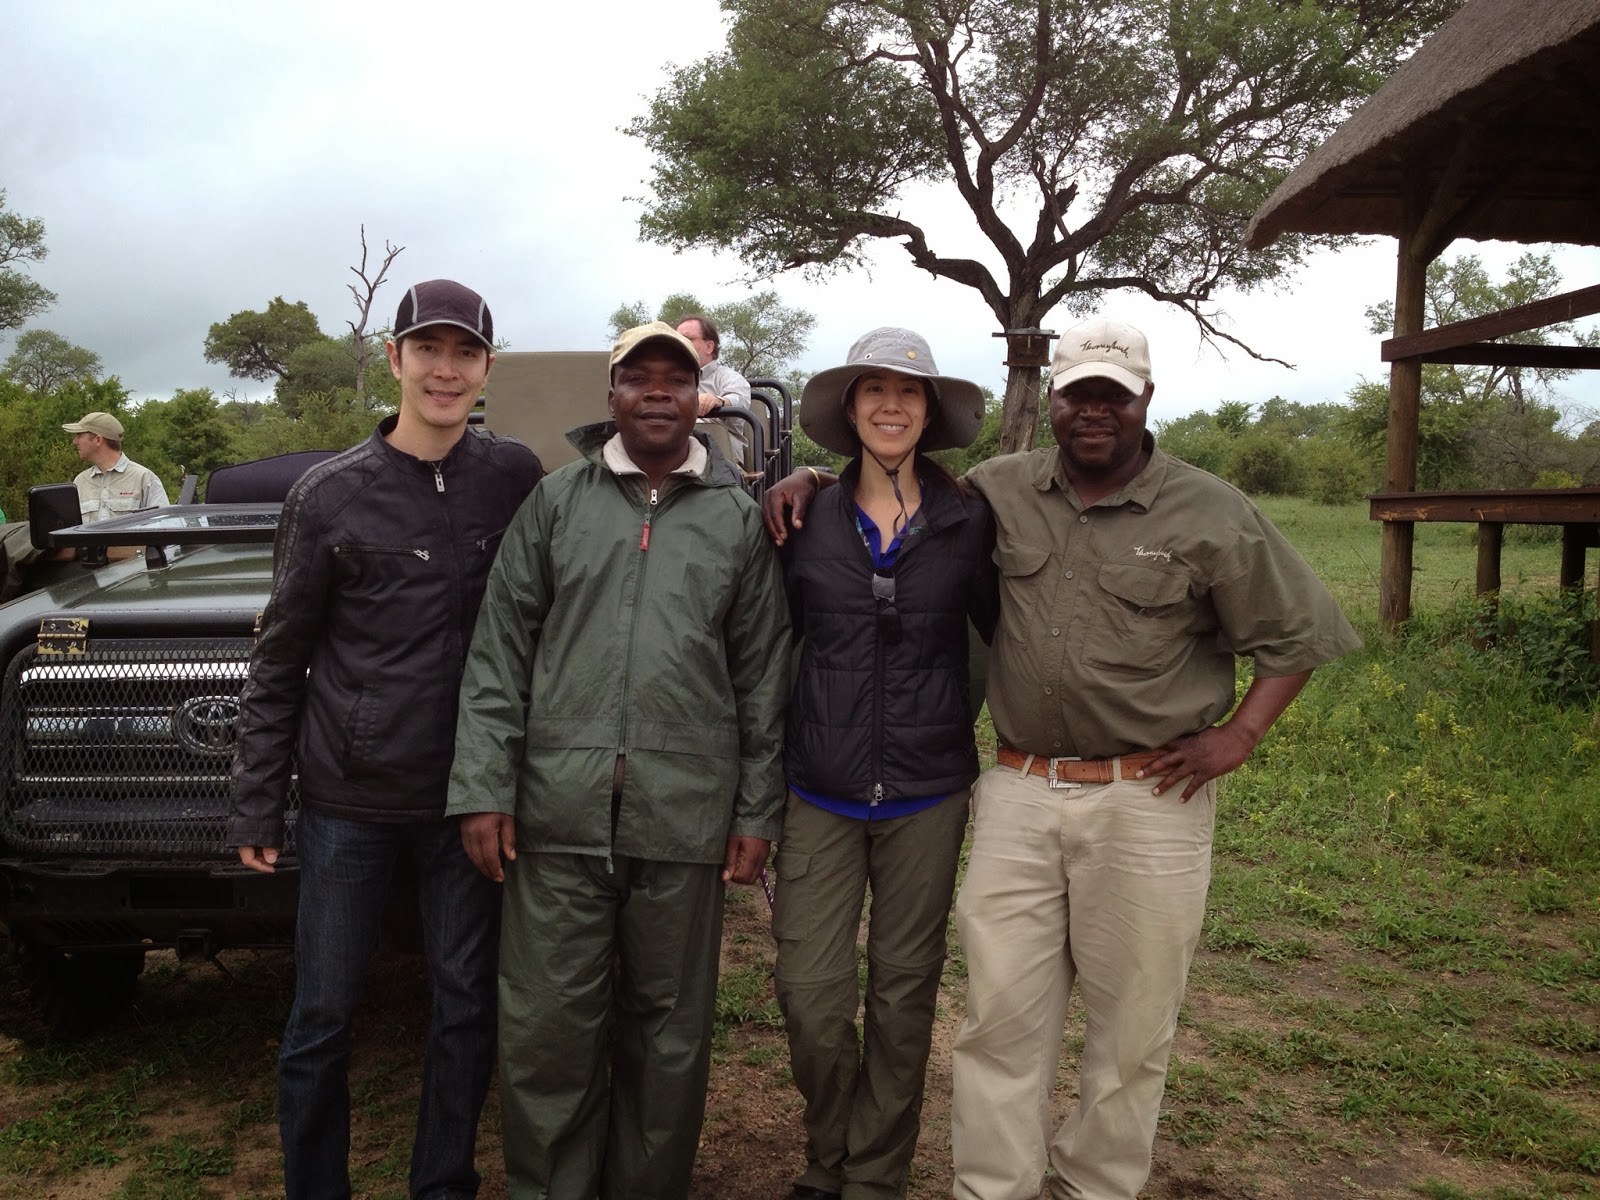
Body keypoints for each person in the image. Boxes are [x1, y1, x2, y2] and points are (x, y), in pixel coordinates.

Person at [765, 316, 1361, 1200]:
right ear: (1053, 401)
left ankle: (1092, 1188)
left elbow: (1299, 632)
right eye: (1078, 394)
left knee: (1130, 1027)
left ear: (1144, 400)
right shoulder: (1000, 491)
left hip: (1148, 797)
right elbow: (886, 495)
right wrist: (808, 476)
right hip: (1020, 788)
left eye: (1112, 397)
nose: (1093, 412)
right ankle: (992, 1189)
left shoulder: (1202, 507)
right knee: (999, 1017)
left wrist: (1239, 734)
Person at [446, 321, 791, 1199]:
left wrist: (755, 810)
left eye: (675, 379)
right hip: (557, 819)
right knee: (550, 1030)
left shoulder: (733, 516)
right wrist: (484, 784)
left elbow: (761, 675)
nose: (657, 392)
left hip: (684, 819)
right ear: (612, 398)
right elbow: (498, 653)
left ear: (695, 397)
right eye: (638, 378)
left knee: (668, 1036)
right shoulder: (558, 502)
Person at [227, 279, 545, 1200]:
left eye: (465, 353)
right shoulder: (328, 495)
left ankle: (442, 1182)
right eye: (428, 350)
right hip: (347, 800)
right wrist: (258, 795)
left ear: (487, 366)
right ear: (396, 357)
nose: (445, 370)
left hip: (468, 799)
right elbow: (281, 654)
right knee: (323, 1011)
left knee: (462, 1006)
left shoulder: (513, 477)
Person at [774, 328, 996, 1200]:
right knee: (812, 996)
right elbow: (771, 643)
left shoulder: (969, 518)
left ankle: (872, 1178)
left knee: (905, 1002)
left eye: (909, 392)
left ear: (931, 411)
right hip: (818, 789)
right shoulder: (800, 516)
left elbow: (996, 632)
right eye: (874, 390)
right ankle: (825, 1156)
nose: (892, 405)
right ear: (849, 409)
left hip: (928, 791)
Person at [62, 410, 169, 521]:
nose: (75, 441)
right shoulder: (80, 482)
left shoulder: (144, 478)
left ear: (98, 440)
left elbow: (163, 526)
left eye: (79, 435)